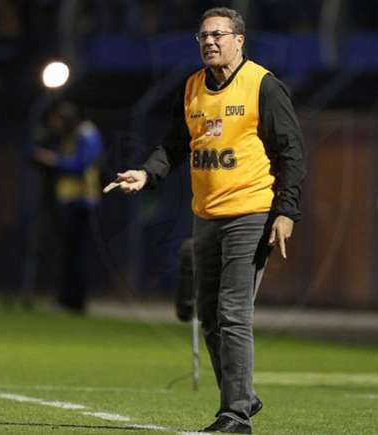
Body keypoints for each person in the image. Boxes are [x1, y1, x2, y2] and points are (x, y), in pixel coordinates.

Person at [104, 7, 305, 434]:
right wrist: (146, 173)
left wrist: (286, 211)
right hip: (207, 216)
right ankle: (243, 397)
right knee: (210, 317)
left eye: (218, 34)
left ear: (239, 40)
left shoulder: (263, 86)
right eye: (203, 36)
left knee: (233, 312)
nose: (210, 42)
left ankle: (234, 416)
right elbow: (176, 144)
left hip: (250, 212)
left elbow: (291, 153)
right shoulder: (192, 87)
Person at [31, 102, 104, 314]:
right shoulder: (71, 136)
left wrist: (53, 160)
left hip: (83, 201)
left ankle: (75, 301)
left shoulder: (87, 134)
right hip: (70, 200)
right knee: (68, 253)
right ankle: (66, 298)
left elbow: (80, 165)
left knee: (76, 253)